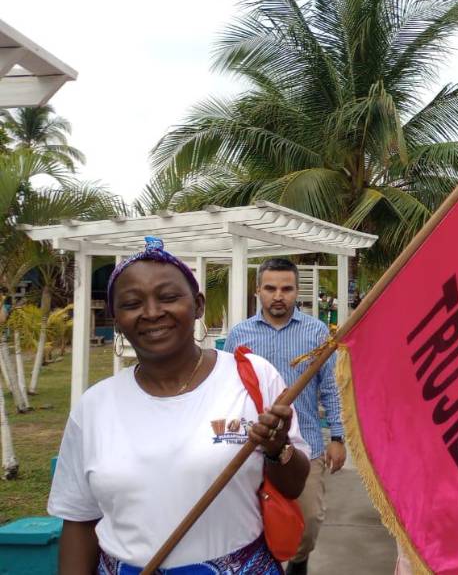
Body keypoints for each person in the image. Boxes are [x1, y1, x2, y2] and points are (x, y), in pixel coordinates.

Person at [48, 237, 311, 574]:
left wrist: (278, 448)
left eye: (169, 297)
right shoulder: (94, 406)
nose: (152, 312)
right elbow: (79, 521)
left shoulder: (253, 378)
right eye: (131, 303)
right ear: (116, 319)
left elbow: (293, 485)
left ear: (198, 305)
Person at [224, 258, 346, 575]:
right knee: (256, 520)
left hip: (305, 447)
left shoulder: (316, 332)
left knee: (309, 522)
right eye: (271, 288)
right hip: (251, 446)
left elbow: (330, 388)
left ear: (296, 292)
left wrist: (337, 437)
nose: (278, 295)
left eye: (286, 289)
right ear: (258, 291)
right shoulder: (240, 335)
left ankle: (299, 562)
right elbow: (226, 391)